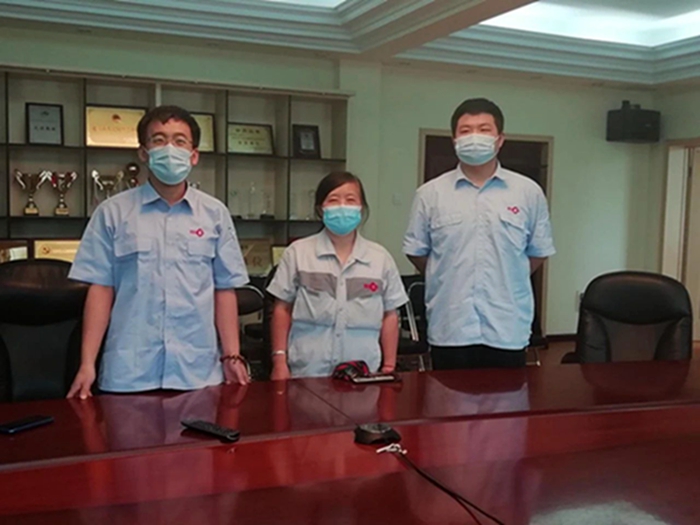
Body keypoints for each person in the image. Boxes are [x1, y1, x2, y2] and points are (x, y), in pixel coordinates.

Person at [67, 105, 250, 398]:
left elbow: (224, 289)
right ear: (144, 153)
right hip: (129, 371)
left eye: (180, 141)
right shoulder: (112, 213)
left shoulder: (215, 214)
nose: (169, 149)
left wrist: (232, 355)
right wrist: (87, 364)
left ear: (193, 155)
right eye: (159, 140)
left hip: (197, 372)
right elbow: (101, 289)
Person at [403, 98, 555, 370]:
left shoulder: (528, 192)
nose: (474, 136)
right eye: (466, 130)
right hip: (451, 327)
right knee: (446, 397)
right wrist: (448, 272)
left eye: (484, 129)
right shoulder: (430, 194)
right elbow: (417, 251)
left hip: (507, 327)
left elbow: (538, 252)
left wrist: (508, 273)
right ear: (454, 140)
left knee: (508, 398)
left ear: (500, 139)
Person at [267, 172, 408, 379]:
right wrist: (279, 362)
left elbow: (390, 315)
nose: (342, 206)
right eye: (333, 200)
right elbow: (282, 309)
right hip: (307, 371)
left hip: (363, 373)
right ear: (320, 208)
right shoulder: (298, 253)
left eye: (350, 200)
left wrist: (389, 366)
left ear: (361, 208)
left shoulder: (380, 258)